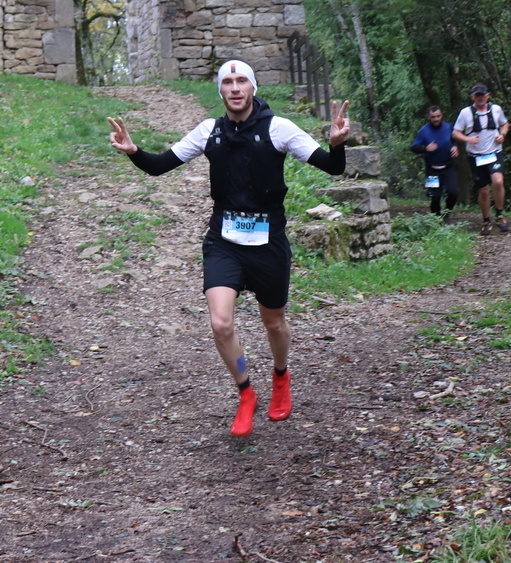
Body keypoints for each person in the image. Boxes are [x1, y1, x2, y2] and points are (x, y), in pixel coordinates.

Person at [108, 59, 349, 438]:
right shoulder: (209, 131)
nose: (235, 88)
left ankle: (281, 377)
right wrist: (133, 150)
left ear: (252, 87)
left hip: (268, 242)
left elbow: (332, 168)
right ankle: (246, 392)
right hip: (224, 241)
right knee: (221, 324)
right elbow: (158, 166)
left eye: (241, 81)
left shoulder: (279, 128)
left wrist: (337, 145)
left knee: (274, 322)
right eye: (228, 82)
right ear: (220, 90)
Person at [452, 84, 511, 235]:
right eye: (477, 95)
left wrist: (502, 135)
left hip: (495, 153)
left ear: (488, 95)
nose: (480, 98)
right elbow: (455, 133)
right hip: (476, 156)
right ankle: (486, 220)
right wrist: (468, 139)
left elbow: (505, 124)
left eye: (483, 95)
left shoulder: (496, 109)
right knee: (484, 190)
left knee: (498, 182)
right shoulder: (465, 113)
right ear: (472, 97)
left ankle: (499, 214)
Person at [410, 105, 458, 222]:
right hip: (432, 169)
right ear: (428, 117)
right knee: (435, 197)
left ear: (442, 115)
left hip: (448, 167)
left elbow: (455, 139)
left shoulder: (448, 127)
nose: (436, 119)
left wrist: (455, 147)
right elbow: (414, 147)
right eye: (433, 117)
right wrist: (425, 148)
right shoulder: (423, 131)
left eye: (438, 116)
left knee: (453, 192)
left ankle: (447, 215)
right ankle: (436, 219)